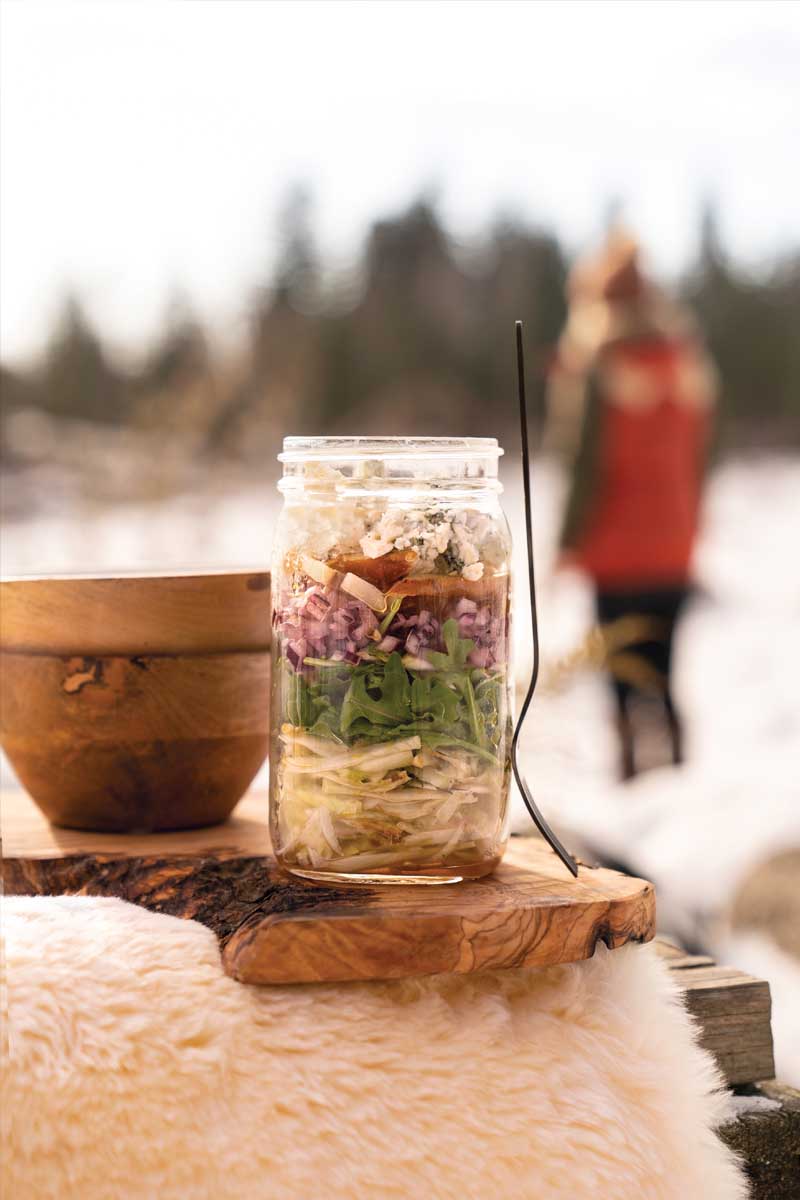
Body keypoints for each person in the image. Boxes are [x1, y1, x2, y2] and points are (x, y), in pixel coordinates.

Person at [546, 231, 718, 780]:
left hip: (613, 547)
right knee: (664, 671)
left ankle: (631, 780)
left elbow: (581, 465)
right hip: (674, 544)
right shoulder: (687, 365)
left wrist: (564, 543)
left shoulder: (597, 367)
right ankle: (680, 780)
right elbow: (705, 456)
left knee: (621, 672)